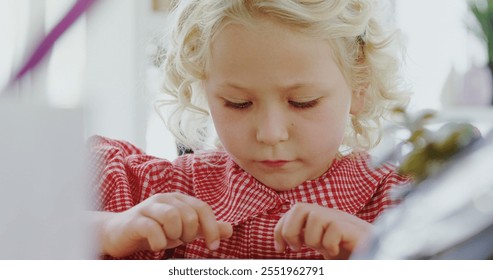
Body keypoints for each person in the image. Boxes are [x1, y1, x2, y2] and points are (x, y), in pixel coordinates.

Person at [88, 0, 410, 259]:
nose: (270, 134)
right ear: (205, 87)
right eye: (237, 103)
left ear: (360, 85)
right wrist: (109, 229)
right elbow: (42, 215)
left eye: (302, 102)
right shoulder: (167, 193)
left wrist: (385, 254)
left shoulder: (404, 203)